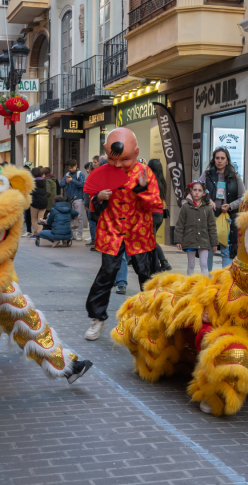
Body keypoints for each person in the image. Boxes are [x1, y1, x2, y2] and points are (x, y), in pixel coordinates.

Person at [83, 128, 163, 340]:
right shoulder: (102, 173)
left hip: (139, 231)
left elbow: (156, 203)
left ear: (136, 152)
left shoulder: (146, 173)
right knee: (106, 274)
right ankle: (97, 318)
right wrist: (98, 197)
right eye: (112, 159)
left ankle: (152, 317)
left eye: (125, 159)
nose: (118, 165)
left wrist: (142, 190)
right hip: (111, 231)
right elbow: (92, 207)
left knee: (147, 274)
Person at [198, 147, 245, 270]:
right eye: (217, 158)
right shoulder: (206, 174)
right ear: (214, 160)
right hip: (210, 216)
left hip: (227, 218)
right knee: (208, 249)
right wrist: (208, 200)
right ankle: (206, 279)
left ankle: (224, 279)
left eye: (222, 158)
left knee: (226, 250)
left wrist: (230, 206)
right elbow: (197, 191)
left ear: (227, 160)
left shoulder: (235, 177)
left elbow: (243, 197)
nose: (219, 161)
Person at [175, 181, 218, 275]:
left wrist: (214, 243)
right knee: (191, 264)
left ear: (204, 193)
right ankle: (190, 285)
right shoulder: (185, 207)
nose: (197, 192)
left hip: (203, 239)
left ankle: (204, 286)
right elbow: (180, 224)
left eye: (199, 190)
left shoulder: (208, 208)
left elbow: (212, 226)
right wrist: (178, 240)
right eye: (195, 190)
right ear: (191, 191)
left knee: (204, 264)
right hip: (189, 239)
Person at [148, 159, 172, 271]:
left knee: (151, 241)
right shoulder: (162, 181)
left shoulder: (150, 181)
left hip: (151, 213)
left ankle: (164, 262)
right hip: (160, 214)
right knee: (151, 240)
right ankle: (155, 263)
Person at [61, 159, 87, 241]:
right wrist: (66, 181)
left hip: (78, 198)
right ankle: (72, 234)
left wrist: (72, 180)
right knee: (71, 217)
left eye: (72, 168)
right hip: (69, 198)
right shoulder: (67, 174)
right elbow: (61, 185)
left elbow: (82, 184)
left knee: (79, 217)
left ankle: (79, 234)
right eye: (69, 168)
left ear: (76, 166)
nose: (70, 169)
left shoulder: (80, 174)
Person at [29, 167, 48, 236]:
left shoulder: (31, 182)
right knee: (41, 219)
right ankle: (40, 233)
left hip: (34, 202)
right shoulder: (44, 181)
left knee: (34, 218)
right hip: (43, 202)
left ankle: (35, 233)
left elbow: (29, 192)